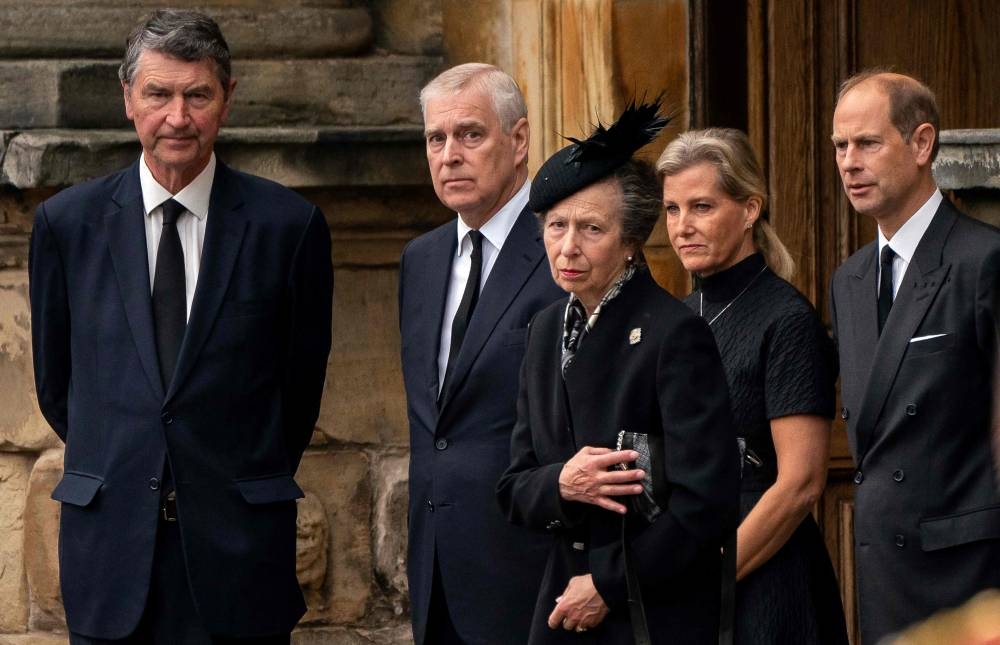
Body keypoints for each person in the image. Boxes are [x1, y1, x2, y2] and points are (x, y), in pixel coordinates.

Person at [29, 10, 333, 644]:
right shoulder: (66, 226)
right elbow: (60, 388)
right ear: (128, 99)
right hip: (112, 554)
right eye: (158, 94)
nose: (178, 117)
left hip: (238, 558)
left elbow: (297, 394)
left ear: (227, 100)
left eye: (198, 95)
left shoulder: (289, 228)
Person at [496, 100, 740, 644]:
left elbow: (707, 503)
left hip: (648, 614)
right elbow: (513, 486)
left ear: (631, 242)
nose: (568, 246)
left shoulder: (674, 333)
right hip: (562, 604)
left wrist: (608, 585)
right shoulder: (542, 332)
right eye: (556, 226)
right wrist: (562, 483)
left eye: (591, 228)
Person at [658, 128, 848, 644]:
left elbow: (800, 484)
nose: (682, 227)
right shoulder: (675, 318)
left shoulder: (786, 320)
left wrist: (710, 576)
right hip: (683, 572)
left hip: (768, 584)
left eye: (701, 206)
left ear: (749, 210)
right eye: (672, 209)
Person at [829, 70, 1000, 643]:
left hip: (966, 578)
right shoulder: (848, 279)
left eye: (867, 143)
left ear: (922, 144)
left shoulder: (984, 261)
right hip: (881, 569)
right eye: (839, 146)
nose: (849, 162)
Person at [398, 63, 564, 644]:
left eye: (470, 134)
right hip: (437, 572)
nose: (449, 155)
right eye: (435, 139)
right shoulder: (419, 260)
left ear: (519, 142)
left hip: (536, 576)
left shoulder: (565, 252)